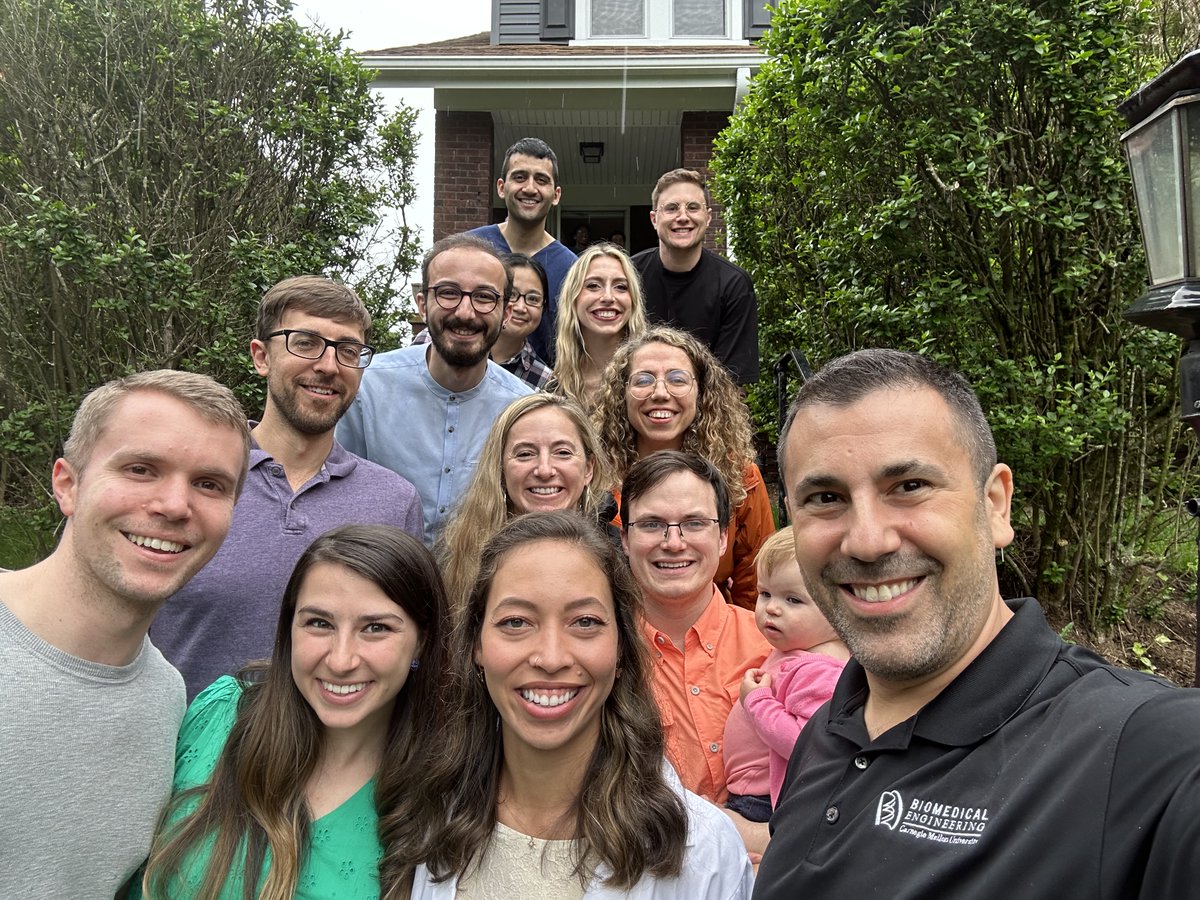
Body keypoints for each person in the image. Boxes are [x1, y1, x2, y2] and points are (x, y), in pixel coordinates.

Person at [755, 348, 1200, 899]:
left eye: (910, 485)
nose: (868, 540)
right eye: (826, 498)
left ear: (995, 505)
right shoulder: (826, 728)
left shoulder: (1144, 750)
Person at [390, 511, 753, 899]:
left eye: (584, 622)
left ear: (621, 649)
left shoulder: (706, 852)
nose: (550, 658)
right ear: (477, 645)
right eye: (516, 622)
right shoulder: (423, 820)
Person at [0, 370, 249, 897]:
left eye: (209, 484)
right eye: (141, 469)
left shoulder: (166, 699)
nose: (174, 505)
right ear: (67, 484)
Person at [153, 276, 424, 700]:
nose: (329, 366)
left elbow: (404, 652)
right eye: (305, 342)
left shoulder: (393, 502)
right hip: (186, 756)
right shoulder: (188, 483)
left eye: (348, 351)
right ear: (261, 357)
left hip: (336, 759)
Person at [140, 524, 446, 899]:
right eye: (319, 623)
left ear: (421, 642)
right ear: (290, 626)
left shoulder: (438, 793)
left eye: (376, 628)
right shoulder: (221, 715)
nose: (341, 660)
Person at [337, 234, 533, 545]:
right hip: (376, 583)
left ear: (506, 312)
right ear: (422, 305)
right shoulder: (366, 387)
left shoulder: (524, 410)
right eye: (448, 293)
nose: (465, 313)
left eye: (484, 297)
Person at [619, 451, 770, 804]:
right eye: (652, 524)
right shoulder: (604, 656)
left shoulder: (775, 647)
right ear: (625, 539)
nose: (673, 543)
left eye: (694, 523)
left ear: (722, 538)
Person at [595, 326, 773, 609]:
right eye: (643, 380)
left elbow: (757, 584)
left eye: (677, 379)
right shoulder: (593, 474)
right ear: (622, 394)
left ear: (701, 392)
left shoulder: (739, 476)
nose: (660, 393)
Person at [722, 527, 849, 823]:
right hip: (754, 794)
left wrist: (757, 702)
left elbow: (807, 743)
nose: (772, 608)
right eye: (765, 593)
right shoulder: (798, 649)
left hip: (766, 802)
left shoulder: (820, 669)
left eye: (793, 600)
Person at [438, 393, 610, 609]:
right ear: (500, 469)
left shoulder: (618, 557)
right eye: (525, 454)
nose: (544, 470)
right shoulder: (458, 561)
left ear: (588, 468)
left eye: (563, 452)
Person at [631, 169, 759, 385]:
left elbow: (732, 383)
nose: (683, 217)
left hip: (708, 410)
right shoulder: (630, 275)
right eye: (671, 208)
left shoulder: (733, 284)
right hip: (633, 402)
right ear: (654, 219)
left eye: (692, 207)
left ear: (708, 217)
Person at [467, 137, 577, 363]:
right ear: (501, 187)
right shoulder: (470, 248)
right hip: (463, 384)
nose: (530, 188)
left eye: (541, 180)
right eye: (519, 177)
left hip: (540, 390)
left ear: (556, 195)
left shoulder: (572, 269)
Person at [550, 243, 648, 407]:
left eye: (621, 287)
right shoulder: (554, 388)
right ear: (572, 299)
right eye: (593, 285)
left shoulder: (650, 382)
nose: (608, 297)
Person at [489, 253, 554, 389]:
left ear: (543, 307)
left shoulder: (546, 383)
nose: (520, 307)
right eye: (511, 294)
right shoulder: (463, 352)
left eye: (533, 299)